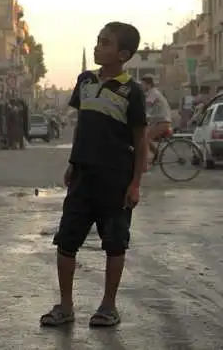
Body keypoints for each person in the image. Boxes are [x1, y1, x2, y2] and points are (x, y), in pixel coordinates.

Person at [40, 22, 147, 328]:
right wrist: (73, 163)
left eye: (105, 43)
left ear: (123, 54)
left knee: (114, 243)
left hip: (115, 180)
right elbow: (81, 126)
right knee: (66, 241)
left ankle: (108, 307)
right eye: (98, 41)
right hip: (83, 178)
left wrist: (136, 183)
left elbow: (140, 141)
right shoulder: (85, 81)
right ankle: (65, 306)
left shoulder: (131, 91)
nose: (98, 46)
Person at [140, 75, 172, 156]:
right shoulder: (151, 93)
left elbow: (147, 106)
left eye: (143, 84)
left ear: (148, 85)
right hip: (158, 121)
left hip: (163, 121)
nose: (141, 86)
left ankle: (148, 159)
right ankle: (157, 155)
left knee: (146, 138)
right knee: (144, 136)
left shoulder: (153, 93)